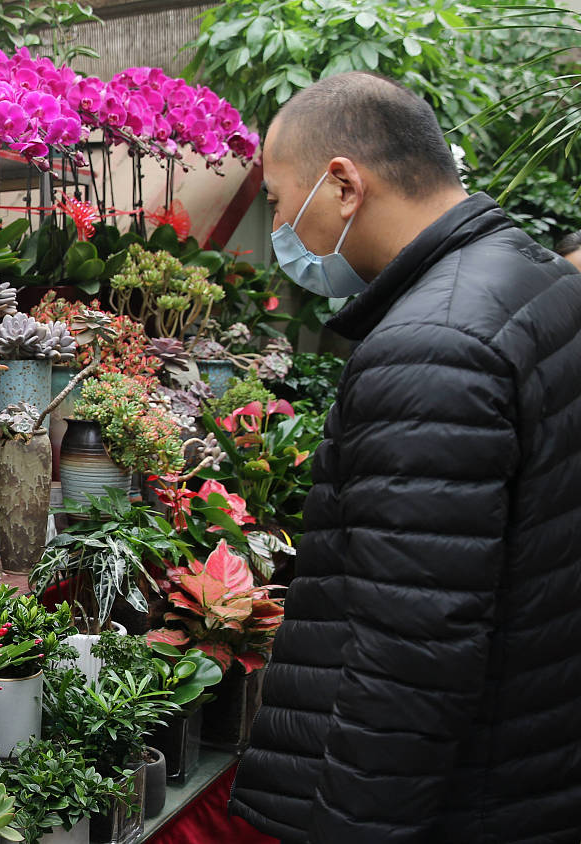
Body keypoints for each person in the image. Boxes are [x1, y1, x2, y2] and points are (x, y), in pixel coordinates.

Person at [229, 71, 581, 844]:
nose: (284, 227)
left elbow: (411, 647)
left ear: (344, 186)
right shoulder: (539, 279)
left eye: (283, 203)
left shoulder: (433, 345)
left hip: (465, 800)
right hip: (534, 761)